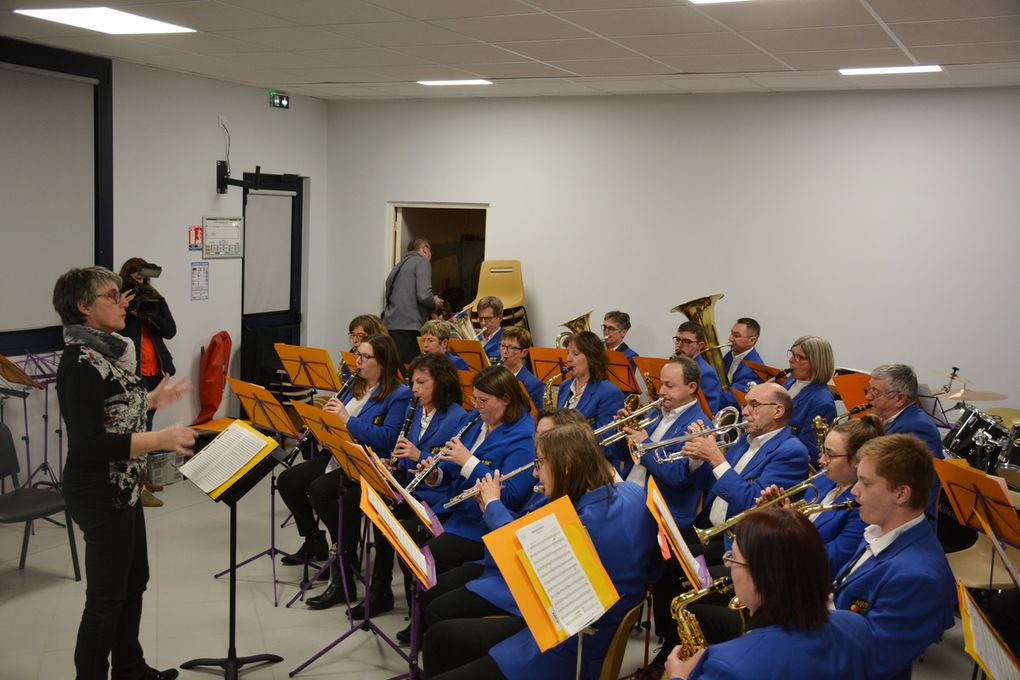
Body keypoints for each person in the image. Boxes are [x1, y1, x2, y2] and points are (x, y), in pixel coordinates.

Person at [423, 422, 660, 680]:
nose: (536, 474)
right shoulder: (633, 492)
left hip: (567, 645)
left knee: (443, 641)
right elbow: (655, 571)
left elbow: (523, 554)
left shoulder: (582, 524)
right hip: (582, 624)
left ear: (567, 465)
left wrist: (492, 505)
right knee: (441, 637)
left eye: (540, 463)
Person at [53, 266, 194, 680]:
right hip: (98, 490)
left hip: (124, 486)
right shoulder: (79, 362)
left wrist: (152, 398)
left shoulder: (109, 351)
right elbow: (90, 444)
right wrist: (161, 439)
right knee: (104, 599)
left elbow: (117, 412)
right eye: (113, 296)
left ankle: (130, 667)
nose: (124, 303)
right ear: (84, 307)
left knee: (134, 581)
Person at [276, 333, 411, 610]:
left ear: (382, 362)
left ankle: (343, 567)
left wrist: (346, 419)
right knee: (288, 480)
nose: (357, 361)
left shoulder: (399, 395)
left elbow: (387, 438)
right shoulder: (354, 385)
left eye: (364, 356)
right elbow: (335, 424)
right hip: (338, 455)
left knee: (321, 490)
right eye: (357, 355)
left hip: (368, 462)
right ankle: (317, 541)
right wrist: (319, 425)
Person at [666, 508, 875, 680]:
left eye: (733, 558)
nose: (728, 566)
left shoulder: (729, 665)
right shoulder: (856, 625)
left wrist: (677, 676)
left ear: (762, 575)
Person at [354, 352, 467, 620]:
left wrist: (418, 457)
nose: (413, 389)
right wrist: (393, 466)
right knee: (379, 514)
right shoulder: (415, 411)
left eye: (421, 383)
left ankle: (420, 609)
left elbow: (452, 471)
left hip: (437, 498)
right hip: (410, 490)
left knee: (404, 532)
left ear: (440, 383)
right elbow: (405, 458)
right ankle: (380, 590)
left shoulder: (458, 418)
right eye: (412, 382)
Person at [833, 434, 955, 680]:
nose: (855, 491)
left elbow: (869, 662)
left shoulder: (919, 577)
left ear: (901, 494)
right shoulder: (880, 529)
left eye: (865, 483)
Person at [421, 365, 535, 575]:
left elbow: (508, 496)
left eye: (483, 401)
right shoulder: (474, 420)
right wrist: (436, 475)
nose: (476, 406)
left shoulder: (524, 437)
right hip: (454, 510)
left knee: (426, 559)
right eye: (474, 399)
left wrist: (468, 462)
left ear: (506, 399)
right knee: (408, 543)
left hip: (481, 525)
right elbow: (451, 467)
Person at [118, 257, 178, 507]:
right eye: (135, 276)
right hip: (133, 372)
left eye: (143, 276)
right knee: (136, 430)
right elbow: (115, 332)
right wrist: (127, 309)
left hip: (155, 369)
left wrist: (147, 315)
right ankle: (137, 486)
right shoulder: (118, 298)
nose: (140, 280)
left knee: (147, 425)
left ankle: (143, 478)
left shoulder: (154, 299)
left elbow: (170, 330)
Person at [867, 364, 943, 523]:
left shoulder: (918, 428)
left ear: (900, 399)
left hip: (904, 517)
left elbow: (902, 485)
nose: (868, 397)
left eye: (876, 392)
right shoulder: (892, 420)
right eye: (869, 389)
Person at [557, 331, 627, 473]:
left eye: (575, 354)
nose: (568, 359)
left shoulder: (608, 392)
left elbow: (607, 444)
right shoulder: (565, 386)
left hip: (595, 469)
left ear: (591, 357)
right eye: (567, 353)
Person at [382, 237, 443, 363]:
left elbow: (388, 289)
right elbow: (424, 295)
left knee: (395, 368)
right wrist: (434, 302)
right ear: (424, 249)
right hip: (409, 327)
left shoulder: (398, 265)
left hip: (389, 326)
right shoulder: (422, 262)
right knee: (410, 370)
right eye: (430, 251)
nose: (430, 255)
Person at [783, 336, 837, 466]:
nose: (791, 361)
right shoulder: (791, 381)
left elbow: (807, 450)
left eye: (799, 357)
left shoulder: (822, 403)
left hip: (788, 461)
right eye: (792, 354)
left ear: (816, 362)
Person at [673, 321, 721, 415]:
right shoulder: (674, 364)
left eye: (686, 342)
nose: (679, 345)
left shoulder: (705, 373)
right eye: (677, 339)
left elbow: (709, 412)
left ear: (700, 346)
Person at [719, 318, 762, 410]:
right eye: (731, 333)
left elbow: (730, 400)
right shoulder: (731, 354)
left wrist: (705, 392)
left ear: (752, 340)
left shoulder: (754, 369)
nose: (730, 338)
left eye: (736, 335)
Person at [499, 326, 544, 410]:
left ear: (524, 353)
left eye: (511, 348)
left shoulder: (533, 384)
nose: (505, 351)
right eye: (503, 346)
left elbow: (535, 416)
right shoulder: (493, 375)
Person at [475, 296, 504, 364]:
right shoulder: (474, 339)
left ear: (500, 317)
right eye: (480, 318)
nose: (483, 323)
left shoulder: (507, 340)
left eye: (488, 318)